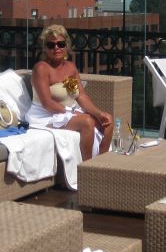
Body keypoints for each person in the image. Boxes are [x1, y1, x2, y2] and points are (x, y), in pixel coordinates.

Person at [26, 24, 113, 161]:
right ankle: (86, 167)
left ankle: (100, 164)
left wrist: (99, 113)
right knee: (87, 122)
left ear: (66, 46)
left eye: (60, 44)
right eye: (51, 45)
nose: (56, 48)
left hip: (66, 112)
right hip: (45, 115)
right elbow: (47, 103)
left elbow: (80, 96)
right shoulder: (42, 68)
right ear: (45, 48)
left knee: (108, 122)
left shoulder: (70, 68)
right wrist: (71, 112)